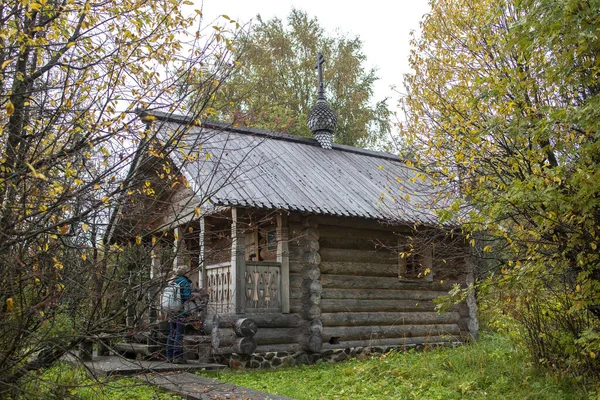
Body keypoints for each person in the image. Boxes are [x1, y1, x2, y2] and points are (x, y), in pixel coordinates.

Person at [165, 265, 192, 364]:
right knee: (179, 334)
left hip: (171, 310)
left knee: (172, 332)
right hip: (181, 311)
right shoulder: (184, 282)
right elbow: (186, 296)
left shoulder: (173, 281)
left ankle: (169, 355)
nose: (190, 273)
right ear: (185, 273)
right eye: (188, 271)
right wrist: (194, 296)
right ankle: (177, 356)